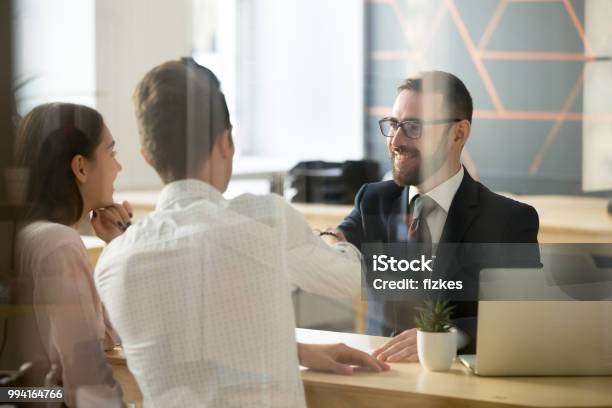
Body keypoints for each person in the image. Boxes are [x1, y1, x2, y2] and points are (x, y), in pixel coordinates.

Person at [94, 58, 389, 407]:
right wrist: (334, 241)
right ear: (225, 142)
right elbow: (353, 280)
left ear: (147, 156)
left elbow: (192, 355)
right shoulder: (265, 221)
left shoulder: (113, 263)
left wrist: (295, 349)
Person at [335, 71, 540, 361]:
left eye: (414, 127)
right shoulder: (373, 199)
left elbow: (524, 315)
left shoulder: (510, 220)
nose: (396, 140)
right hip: (379, 379)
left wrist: (448, 335)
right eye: (394, 124)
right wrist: (327, 239)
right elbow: (340, 241)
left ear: (458, 133)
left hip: (460, 388)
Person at [13, 103, 133, 406]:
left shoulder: (29, 235)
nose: (119, 168)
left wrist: (115, 247)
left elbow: (103, 339)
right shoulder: (59, 243)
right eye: (112, 153)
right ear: (80, 167)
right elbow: (87, 380)